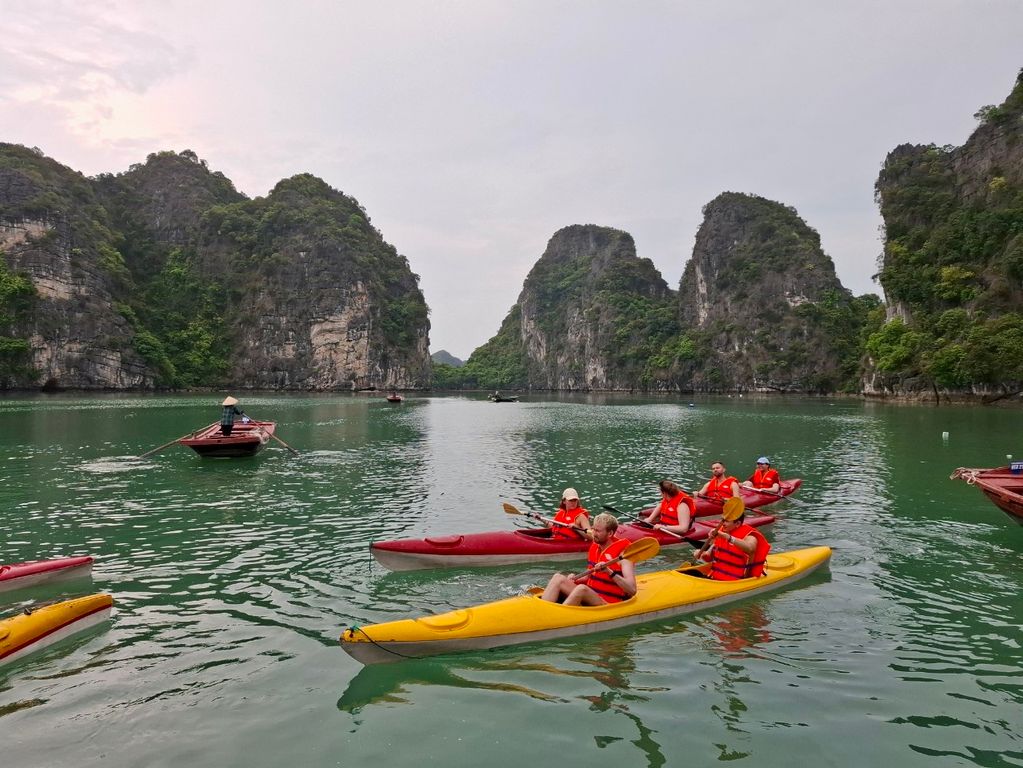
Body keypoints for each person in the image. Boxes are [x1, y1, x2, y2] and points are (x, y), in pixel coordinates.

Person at [541, 513, 637, 605]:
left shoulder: (623, 555)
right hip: (592, 595)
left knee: (582, 589)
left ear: (610, 533)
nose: (594, 533)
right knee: (558, 578)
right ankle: (541, 608)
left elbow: (632, 590)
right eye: (593, 529)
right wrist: (575, 579)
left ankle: (556, 617)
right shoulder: (595, 546)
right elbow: (588, 577)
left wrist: (609, 572)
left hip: (608, 602)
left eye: (598, 531)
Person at [694, 498, 771, 580]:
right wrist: (701, 554)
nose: (723, 524)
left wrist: (728, 537)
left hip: (735, 581)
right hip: (714, 578)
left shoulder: (750, 536)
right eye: (722, 520)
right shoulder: (720, 533)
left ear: (737, 523)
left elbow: (750, 548)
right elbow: (709, 557)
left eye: (727, 521)